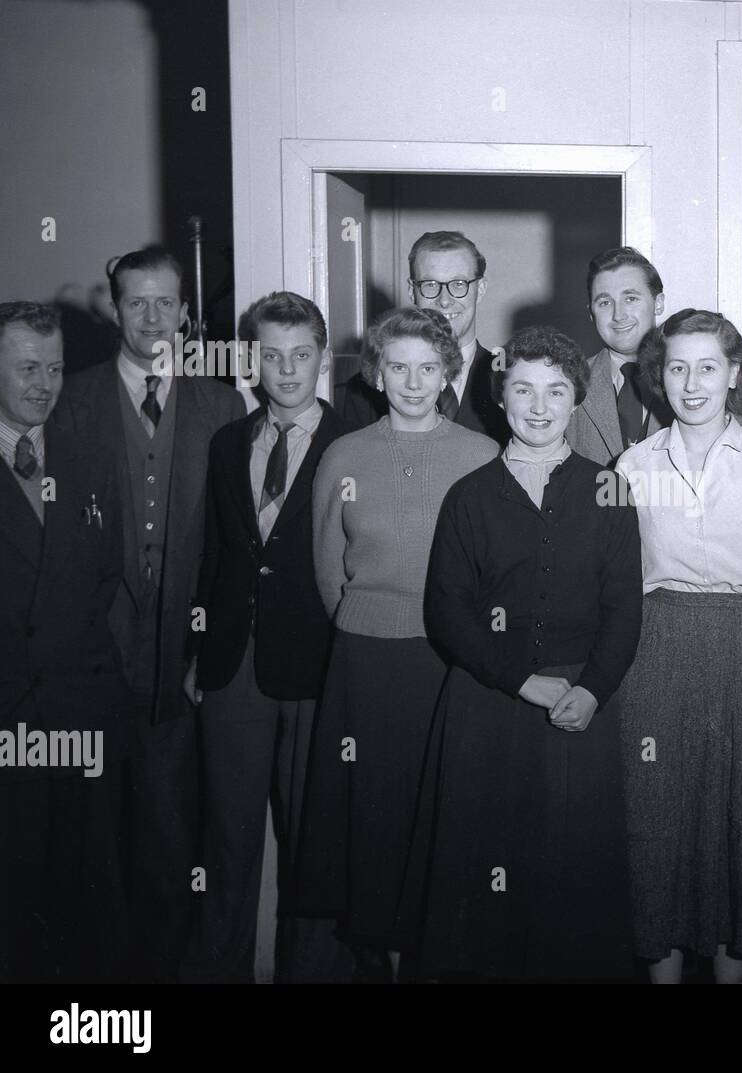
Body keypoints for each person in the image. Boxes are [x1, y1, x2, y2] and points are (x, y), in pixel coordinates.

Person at [400, 325, 642, 981]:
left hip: (581, 709)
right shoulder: (470, 496)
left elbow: (625, 610)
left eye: (556, 391)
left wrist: (591, 689)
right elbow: (447, 611)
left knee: (574, 877)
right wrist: (520, 680)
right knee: (483, 875)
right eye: (524, 389)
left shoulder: (610, 490)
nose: (539, 406)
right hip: (488, 708)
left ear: (575, 401)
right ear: (501, 397)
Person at [51, 247, 246, 982]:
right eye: (138, 302)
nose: (154, 317)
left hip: (177, 662)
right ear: (115, 308)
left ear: (188, 315)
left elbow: (230, 546)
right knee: (91, 838)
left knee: (169, 835)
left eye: (167, 302)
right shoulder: (70, 399)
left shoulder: (222, 404)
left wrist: (208, 648)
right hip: (88, 662)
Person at [615, 309, 742, 984]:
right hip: (654, 656)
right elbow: (615, 587)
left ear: (735, 374)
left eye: (708, 366)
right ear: (659, 376)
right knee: (657, 824)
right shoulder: (633, 464)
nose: (692, 382)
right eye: (677, 367)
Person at [299, 306, 498, 981]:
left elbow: (492, 571)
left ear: (448, 374)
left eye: (428, 367)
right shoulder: (343, 455)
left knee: (440, 815)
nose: (413, 381)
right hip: (365, 666)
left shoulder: (481, 454)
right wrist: (368, 623)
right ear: (377, 375)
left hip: (449, 664)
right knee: (373, 819)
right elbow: (328, 569)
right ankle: (378, 958)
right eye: (398, 367)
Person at [183, 292, 352, 983]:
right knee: (228, 834)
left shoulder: (354, 440)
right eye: (272, 355)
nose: (286, 370)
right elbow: (216, 554)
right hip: (233, 663)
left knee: (314, 836)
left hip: (319, 666)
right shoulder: (228, 442)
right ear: (252, 359)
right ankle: (223, 968)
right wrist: (198, 649)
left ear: (323, 359)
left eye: (301, 355)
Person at [0, 301, 129, 981]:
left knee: (89, 900)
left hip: (83, 715)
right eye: (26, 367)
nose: (44, 383)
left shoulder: (88, 460)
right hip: (9, 717)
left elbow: (104, 574)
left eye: (53, 367)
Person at [337, 231, 510, 445]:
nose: (444, 301)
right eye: (430, 285)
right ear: (412, 291)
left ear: (480, 289)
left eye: (458, 284)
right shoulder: (364, 389)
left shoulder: (508, 379)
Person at [568, 247, 672, 465]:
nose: (618, 315)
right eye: (605, 303)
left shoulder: (696, 377)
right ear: (591, 313)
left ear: (658, 303)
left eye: (631, 299)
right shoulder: (568, 384)